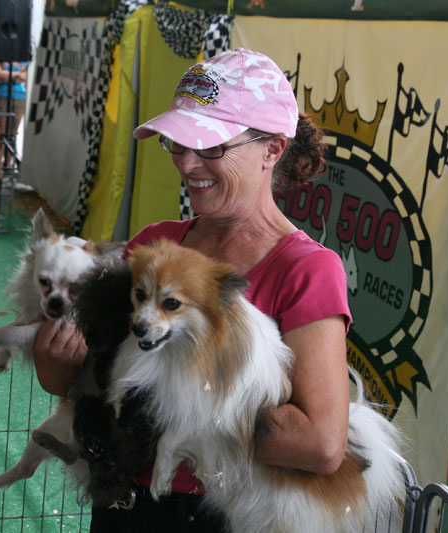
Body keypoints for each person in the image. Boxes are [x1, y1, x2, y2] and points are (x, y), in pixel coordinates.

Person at [32, 48, 351, 532]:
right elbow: (89, 377)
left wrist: (168, 412)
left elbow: (322, 444)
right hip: (125, 498)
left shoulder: (306, 270)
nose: (186, 162)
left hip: (215, 513)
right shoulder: (153, 248)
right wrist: (55, 368)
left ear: (272, 150)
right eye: (178, 144)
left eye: (211, 147)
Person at [0, 60, 27, 165]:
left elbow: (25, 76)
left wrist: (7, 76)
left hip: (19, 96)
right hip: (2, 96)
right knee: (1, 133)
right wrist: (17, 75)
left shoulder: (23, 58)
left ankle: (8, 164)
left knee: (12, 133)